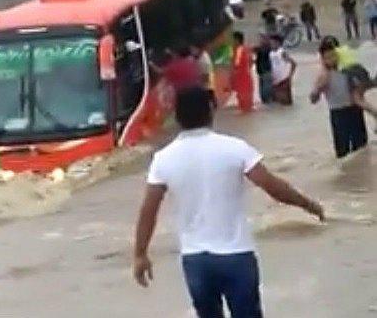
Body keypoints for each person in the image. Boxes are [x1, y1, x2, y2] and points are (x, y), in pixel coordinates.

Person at [132, 87, 324, 318]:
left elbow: (149, 210)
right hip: (237, 256)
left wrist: (140, 254)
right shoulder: (234, 148)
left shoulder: (164, 158)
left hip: (196, 260)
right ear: (211, 110)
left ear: (176, 115)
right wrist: (308, 205)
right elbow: (272, 186)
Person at [310, 43, 370, 158]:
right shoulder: (323, 75)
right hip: (338, 113)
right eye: (327, 58)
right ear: (322, 60)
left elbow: (363, 87)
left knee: (362, 147)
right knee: (342, 151)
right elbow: (313, 100)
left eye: (333, 56)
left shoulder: (348, 69)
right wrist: (318, 89)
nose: (332, 60)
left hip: (355, 110)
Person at [230, 32, 255, 113]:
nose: (232, 42)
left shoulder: (239, 50)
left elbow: (236, 66)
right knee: (248, 107)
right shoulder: (246, 49)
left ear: (237, 40)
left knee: (243, 107)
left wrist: (232, 80)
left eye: (233, 40)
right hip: (247, 78)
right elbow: (251, 62)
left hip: (241, 80)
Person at [269, 34, 297, 105]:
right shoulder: (271, 53)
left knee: (285, 103)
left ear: (278, 43)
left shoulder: (282, 52)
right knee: (277, 103)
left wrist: (290, 76)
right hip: (275, 81)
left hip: (284, 81)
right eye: (271, 43)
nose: (271, 44)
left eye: (273, 43)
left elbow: (294, 63)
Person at [253, 34, 275, 105]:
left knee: (266, 91)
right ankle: (266, 103)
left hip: (266, 71)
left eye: (262, 39)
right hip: (261, 71)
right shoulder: (262, 48)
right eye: (261, 39)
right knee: (263, 91)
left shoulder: (268, 49)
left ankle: (268, 102)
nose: (260, 41)